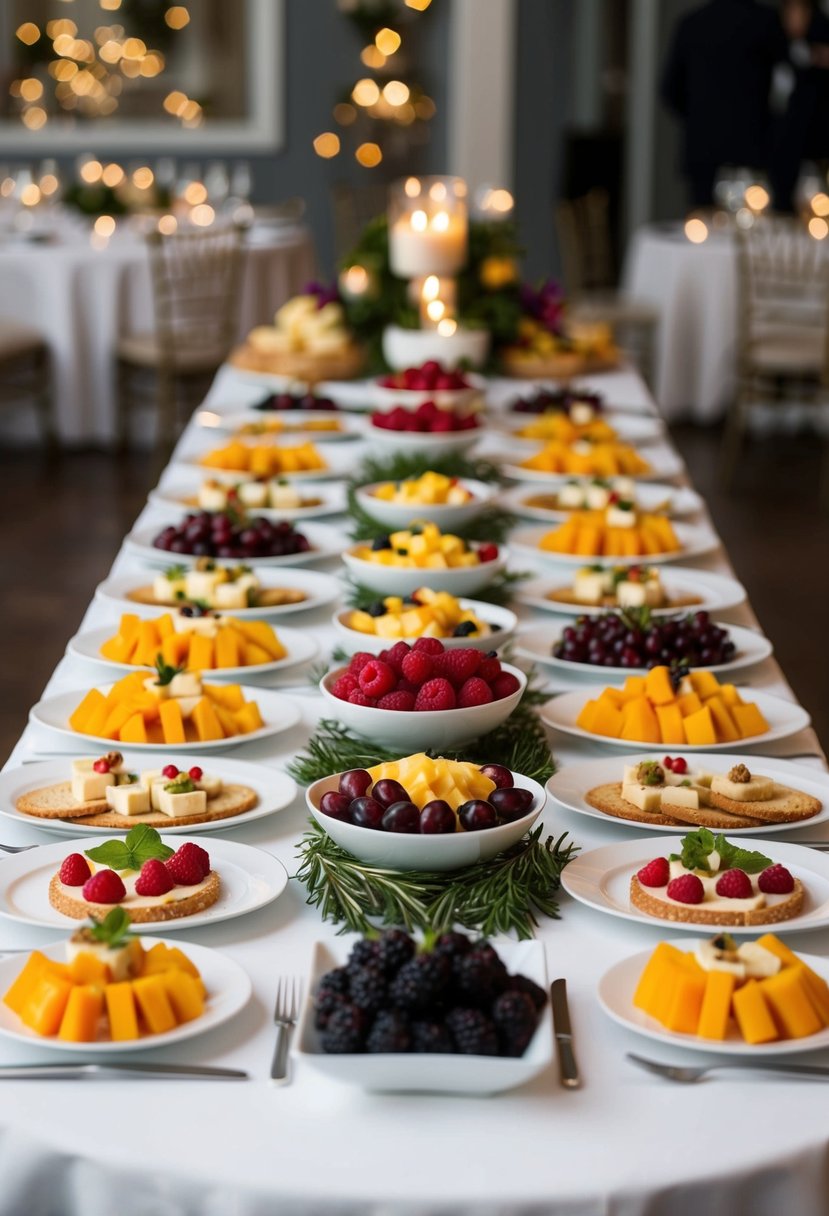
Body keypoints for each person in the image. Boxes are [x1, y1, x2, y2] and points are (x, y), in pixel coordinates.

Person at [661, 0, 788, 207]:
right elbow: (785, 86)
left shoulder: (692, 24)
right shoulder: (765, 21)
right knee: (752, 230)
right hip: (753, 147)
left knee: (703, 231)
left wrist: (699, 118)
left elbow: (669, 91)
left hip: (704, 148)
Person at [770, 0, 829, 211]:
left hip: (816, 144)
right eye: (790, 11)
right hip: (782, 148)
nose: (795, 18)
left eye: (801, 11)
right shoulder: (773, 43)